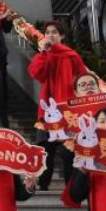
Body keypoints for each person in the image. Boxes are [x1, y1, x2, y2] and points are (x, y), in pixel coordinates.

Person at [27, 21, 86, 190]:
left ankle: (71, 189)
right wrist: (44, 53)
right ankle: (43, 186)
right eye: (48, 32)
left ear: (62, 36)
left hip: (69, 112)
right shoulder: (44, 54)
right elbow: (36, 73)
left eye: (54, 32)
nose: (51, 35)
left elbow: (83, 79)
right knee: (44, 150)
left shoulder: (72, 56)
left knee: (69, 152)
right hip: (47, 111)